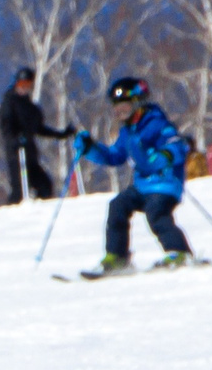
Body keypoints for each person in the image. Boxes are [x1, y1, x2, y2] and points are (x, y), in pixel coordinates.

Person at [73, 77, 195, 273]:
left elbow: (178, 145)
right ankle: (117, 256)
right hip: (142, 186)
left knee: (156, 212)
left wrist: (164, 156)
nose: (119, 112)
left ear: (138, 103)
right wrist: (90, 148)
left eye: (124, 106)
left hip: (165, 183)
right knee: (117, 205)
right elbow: (114, 156)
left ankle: (179, 252)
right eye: (116, 107)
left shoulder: (157, 123)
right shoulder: (127, 133)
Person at [0, 66, 73, 204]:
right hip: (17, 154)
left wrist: (61, 134)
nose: (24, 88)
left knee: (44, 186)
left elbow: (38, 128)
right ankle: (11, 214)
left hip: (30, 153)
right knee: (20, 190)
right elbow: (6, 127)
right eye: (21, 84)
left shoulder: (30, 107)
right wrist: (15, 140)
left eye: (27, 85)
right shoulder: (9, 102)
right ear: (16, 83)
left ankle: (40, 212)